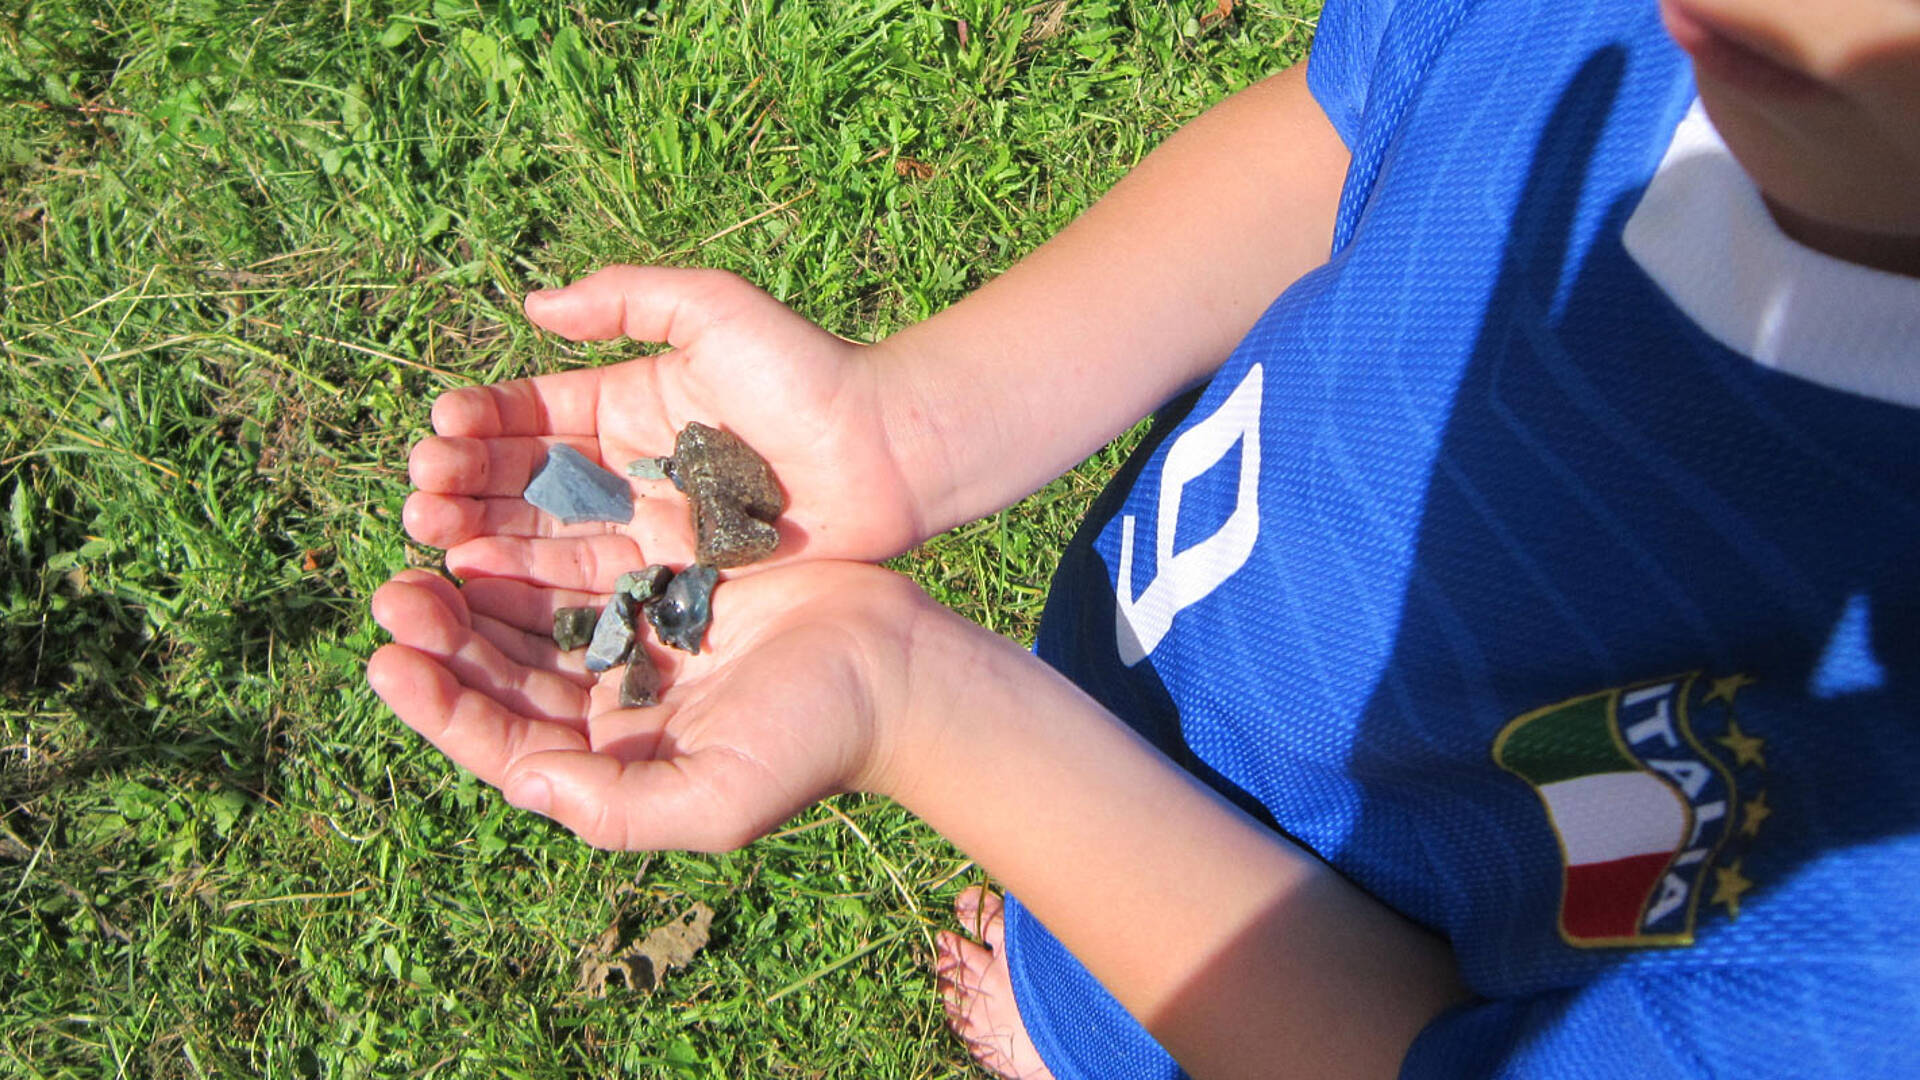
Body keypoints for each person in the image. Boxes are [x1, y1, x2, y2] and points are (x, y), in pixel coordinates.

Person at [368, 0, 1920, 1075]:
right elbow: (1362, 111)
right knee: (1077, 901)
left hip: (1307, 970)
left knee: (1135, 1013)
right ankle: (1073, 986)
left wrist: (918, 705)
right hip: (1173, 637)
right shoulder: (1642, 39)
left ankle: (1093, 1034)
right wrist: (915, 427)